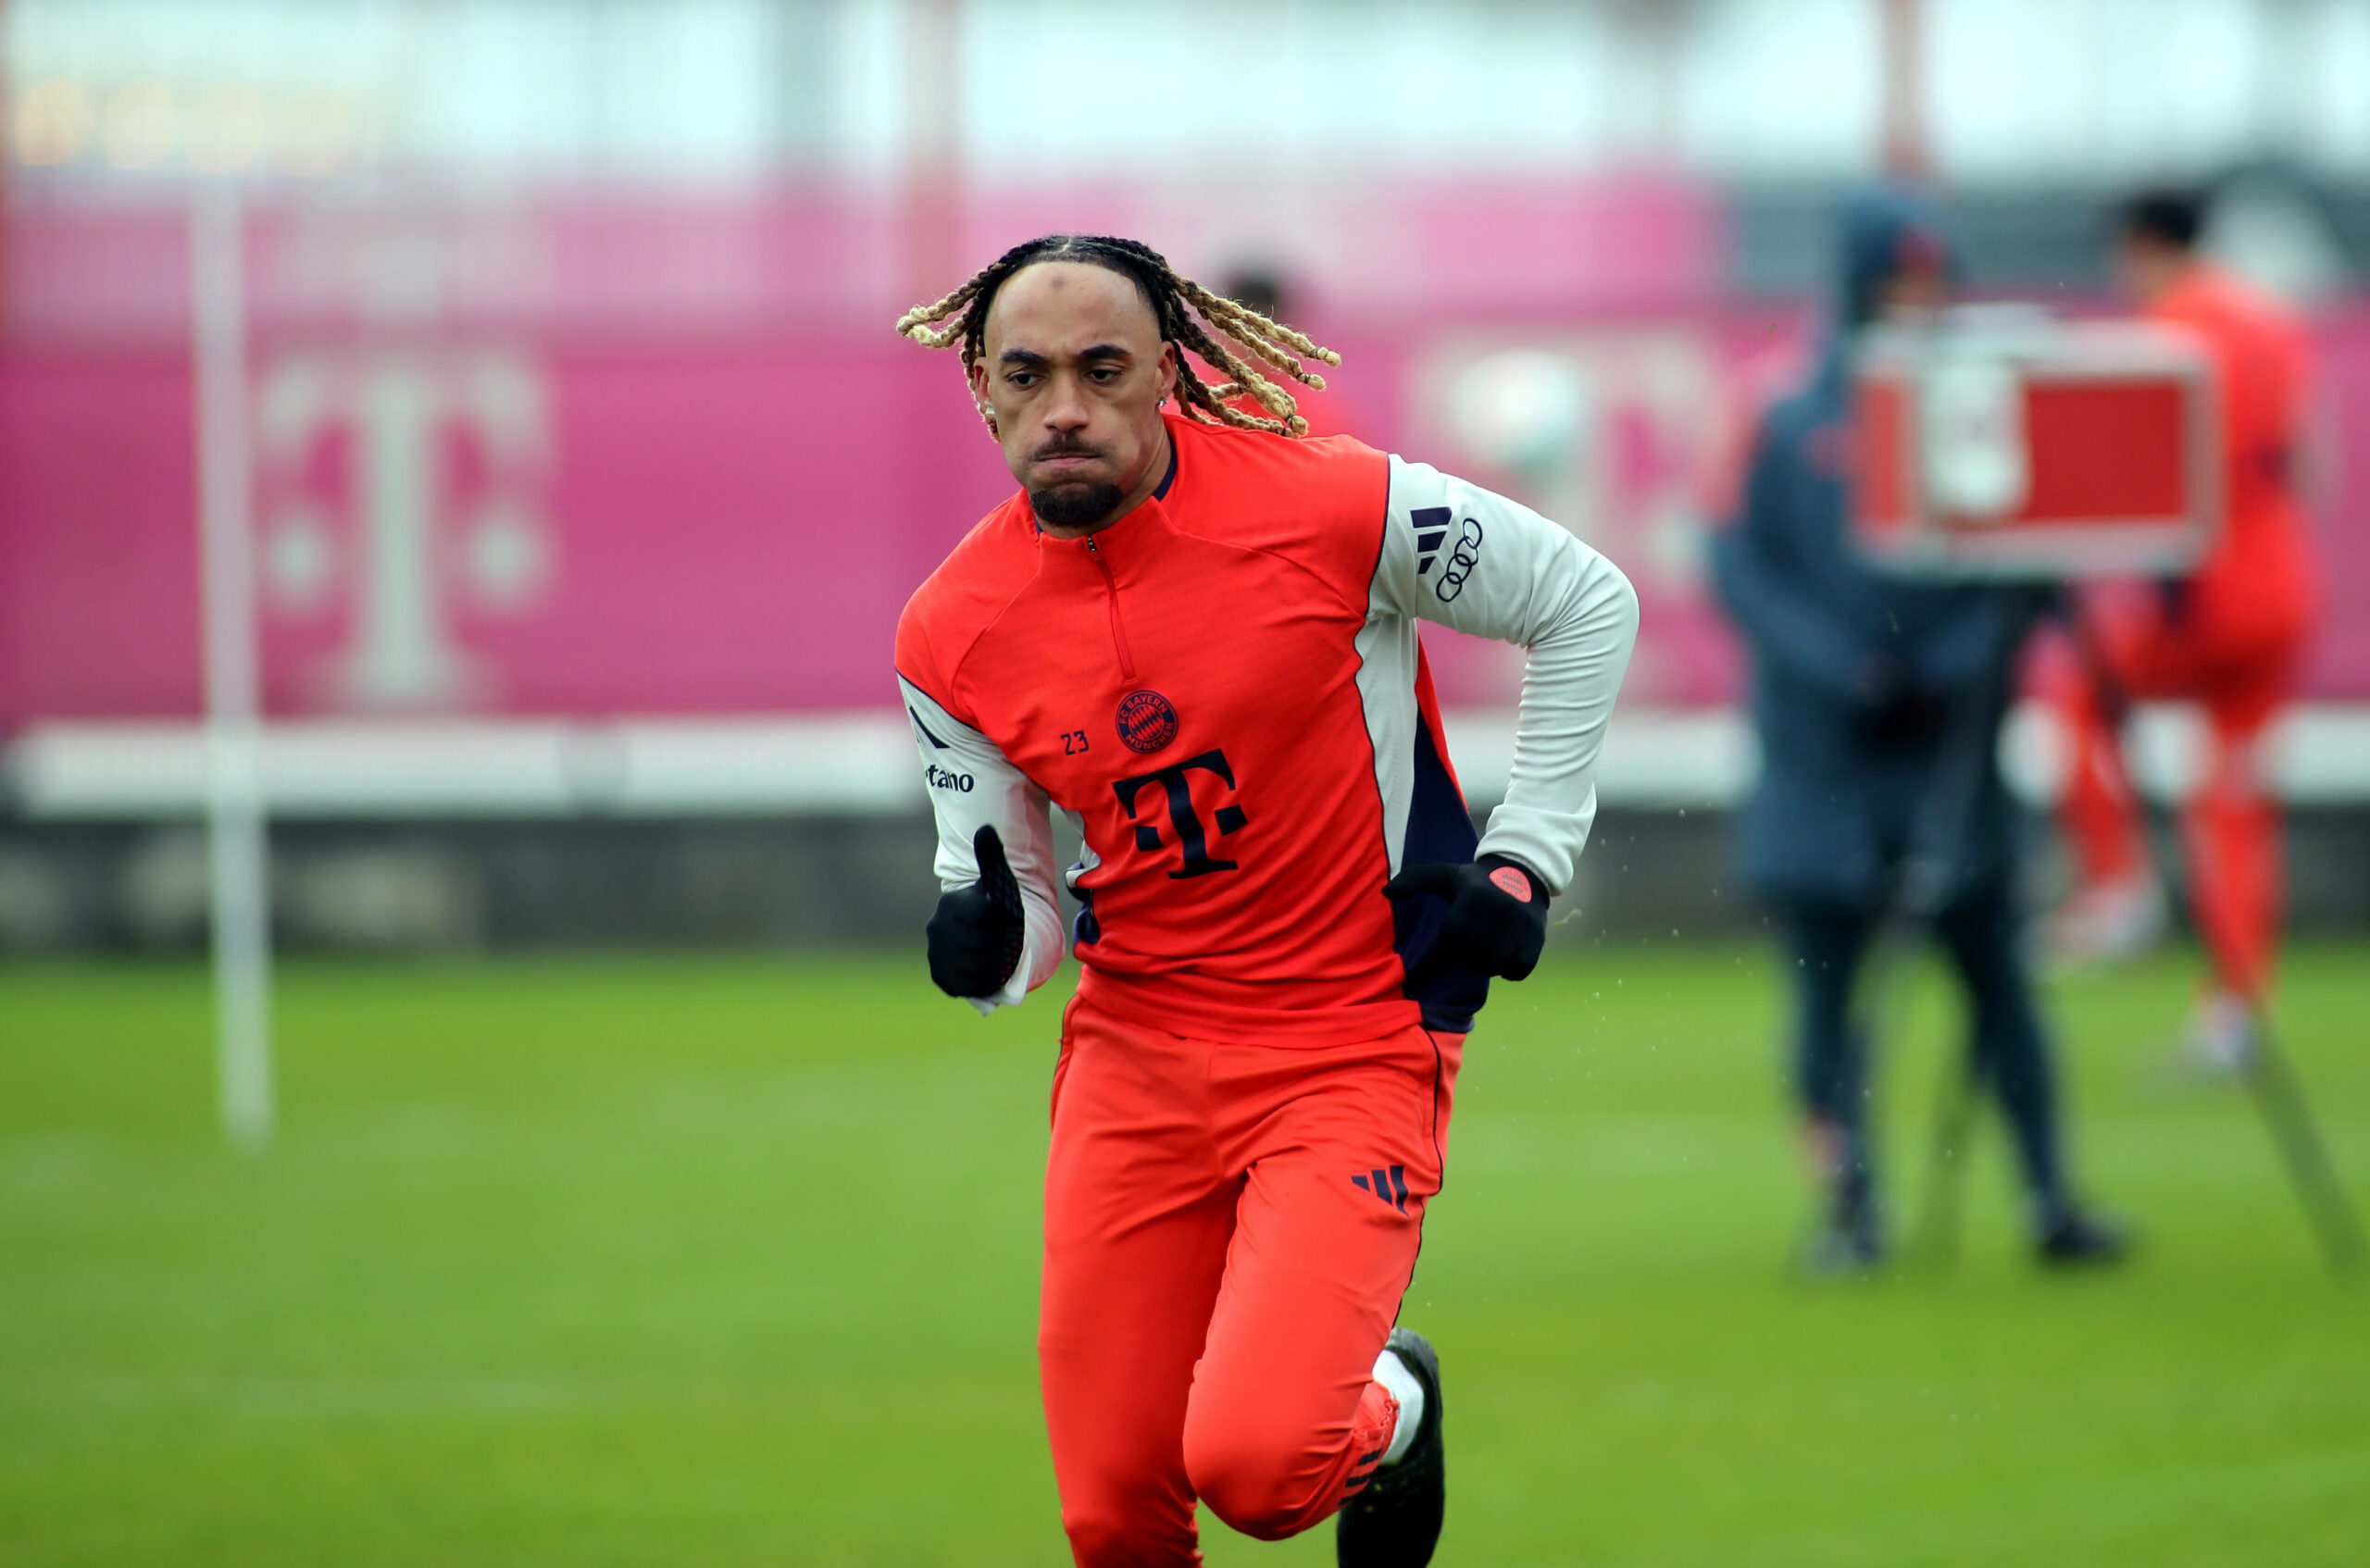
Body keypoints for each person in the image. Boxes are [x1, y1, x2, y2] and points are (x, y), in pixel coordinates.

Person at [893, 234, 1637, 1566]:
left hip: (1352, 1037)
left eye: (1103, 368)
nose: (1066, 404)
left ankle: (1394, 1403)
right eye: (1030, 373)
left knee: (1257, 1468)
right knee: (1114, 1514)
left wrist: (1527, 856)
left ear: (1167, 373)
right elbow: (1012, 897)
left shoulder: (1337, 507)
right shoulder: (947, 630)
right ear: (984, 395)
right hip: (1134, 1058)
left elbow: (1585, 600)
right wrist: (989, 935)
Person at [1710, 191, 2127, 1274]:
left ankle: (2048, 1197)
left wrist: (1947, 668)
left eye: (1931, 283)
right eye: (1896, 282)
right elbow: (1738, 567)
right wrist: (1841, 667)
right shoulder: (1781, 410)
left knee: (1995, 976)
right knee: (1826, 989)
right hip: (1819, 746)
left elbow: (2027, 564)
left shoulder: (1977, 408)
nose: (1916, 304)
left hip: (1949, 741)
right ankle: (1850, 1209)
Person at [2048, 188, 2320, 1071]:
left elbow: (2167, 466)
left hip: (2206, 590)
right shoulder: (2271, 322)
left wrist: (2166, 585)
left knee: (2079, 692)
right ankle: (2234, 1010)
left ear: (2140, 245)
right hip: (2280, 588)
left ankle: (2118, 886)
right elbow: (2301, 458)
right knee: (2235, 802)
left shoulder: (2171, 328)